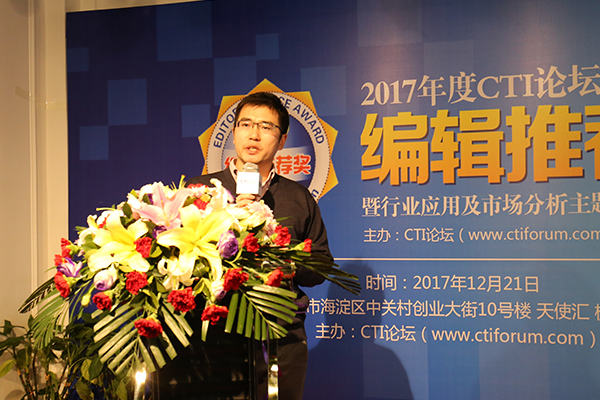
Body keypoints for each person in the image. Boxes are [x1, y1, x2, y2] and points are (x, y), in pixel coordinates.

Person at [186, 91, 332, 400]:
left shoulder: (299, 198)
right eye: (246, 124)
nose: (254, 134)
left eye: (266, 127)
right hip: (213, 335)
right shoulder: (200, 191)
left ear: (282, 140)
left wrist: (282, 260)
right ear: (234, 132)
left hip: (281, 335)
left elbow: (320, 265)